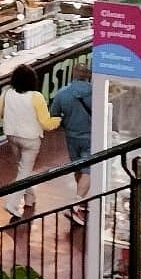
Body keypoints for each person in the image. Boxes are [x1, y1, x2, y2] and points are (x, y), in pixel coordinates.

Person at [0, 63, 61, 218]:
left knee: (22, 169)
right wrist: (58, 119)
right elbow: (45, 123)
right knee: (24, 170)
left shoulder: (7, 93)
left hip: (11, 136)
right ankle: (12, 202)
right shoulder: (36, 97)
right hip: (30, 139)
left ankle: (29, 197)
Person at [50, 63, 93, 226]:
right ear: (87, 76)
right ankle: (76, 203)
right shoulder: (95, 93)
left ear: (73, 75)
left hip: (71, 137)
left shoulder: (62, 94)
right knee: (88, 169)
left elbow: (54, 115)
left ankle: (79, 200)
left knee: (78, 167)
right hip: (90, 136)